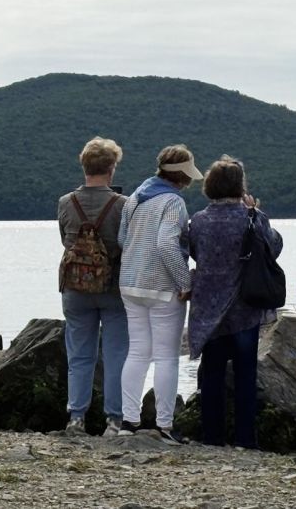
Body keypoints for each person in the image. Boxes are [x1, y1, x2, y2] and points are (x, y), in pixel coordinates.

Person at [188, 155, 282, 449]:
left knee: (212, 376)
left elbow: (193, 252)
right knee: (245, 376)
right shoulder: (251, 217)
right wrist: (256, 211)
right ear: (241, 187)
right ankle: (245, 439)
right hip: (245, 308)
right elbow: (274, 247)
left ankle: (212, 438)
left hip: (208, 310)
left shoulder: (198, 222)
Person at [117, 144, 202, 445]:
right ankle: (164, 426)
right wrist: (185, 283)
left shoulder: (135, 198)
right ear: (182, 176)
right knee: (166, 357)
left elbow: (122, 239)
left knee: (138, 351)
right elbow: (166, 244)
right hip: (163, 287)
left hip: (129, 283)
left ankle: (128, 421)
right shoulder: (173, 202)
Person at [57, 136, 128, 436]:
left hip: (74, 288)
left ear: (84, 165)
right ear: (111, 169)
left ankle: (77, 417)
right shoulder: (123, 204)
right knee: (115, 355)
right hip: (112, 288)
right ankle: (114, 419)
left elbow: (65, 240)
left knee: (80, 356)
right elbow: (126, 243)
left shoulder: (65, 202)